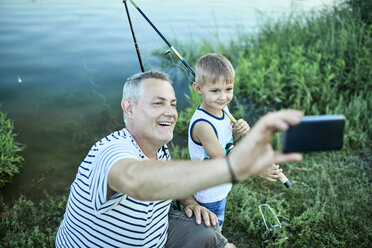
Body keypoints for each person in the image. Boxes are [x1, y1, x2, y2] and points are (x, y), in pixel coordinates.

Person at [55, 71, 303, 248]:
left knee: (212, 237)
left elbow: (166, 180)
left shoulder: (160, 150)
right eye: (158, 103)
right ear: (129, 108)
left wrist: (189, 201)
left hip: (157, 235)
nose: (171, 113)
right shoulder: (112, 151)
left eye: (173, 104)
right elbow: (136, 179)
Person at [189, 53, 285, 231]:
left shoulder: (221, 111)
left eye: (228, 89)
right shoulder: (203, 125)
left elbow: (225, 145)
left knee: (215, 228)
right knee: (211, 232)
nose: (223, 97)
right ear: (198, 88)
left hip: (219, 186)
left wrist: (234, 134)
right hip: (208, 192)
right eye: (215, 91)